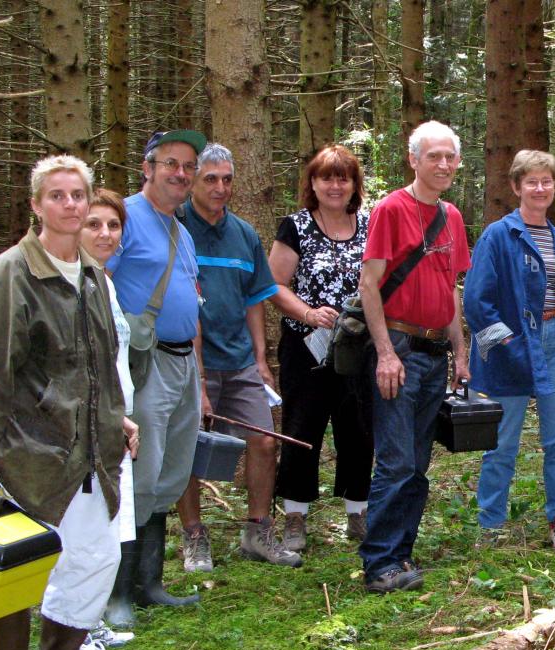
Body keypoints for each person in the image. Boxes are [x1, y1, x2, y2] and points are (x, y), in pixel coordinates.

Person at [0, 155, 132, 650]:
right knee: (19, 568)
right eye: (56, 195)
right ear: (36, 205)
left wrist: (117, 419)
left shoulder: (92, 276)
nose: (70, 205)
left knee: (95, 559)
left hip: (85, 453)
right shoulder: (12, 274)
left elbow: (100, 364)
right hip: (25, 453)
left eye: (78, 195)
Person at [172, 142, 299, 571]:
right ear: (192, 180)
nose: (220, 188)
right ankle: (193, 535)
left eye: (227, 179)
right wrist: (196, 371)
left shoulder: (244, 234)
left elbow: (255, 301)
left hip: (240, 360)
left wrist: (261, 359)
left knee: (263, 440)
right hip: (189, 360)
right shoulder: (175, 225)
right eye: (211, 179)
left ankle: (257, 531)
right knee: (186, 445)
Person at [358, 120, 471, 593]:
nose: (443, 165)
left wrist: (461, 351)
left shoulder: (453, 217)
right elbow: (370, 286)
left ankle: (401, 554)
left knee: (418, 461)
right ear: (413, 160)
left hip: (433, 351)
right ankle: (379, 561)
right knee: (397, 459)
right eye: (434, 157)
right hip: (398, 349)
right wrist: (385, 353)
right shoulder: (391, 209)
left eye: (450, 157)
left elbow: (450, 288)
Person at [463, 150, 555, 552]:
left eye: (547, 181)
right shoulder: (498, 235)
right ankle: (491, 526)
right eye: (531, 181)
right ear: (517, 187)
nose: (540, 188)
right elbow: (476, 303)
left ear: (554, 186)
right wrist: (507, 343)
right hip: (511, 347)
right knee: (501, 442)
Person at [107, 129, 207, 608]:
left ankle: (149, 584)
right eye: (170, 163)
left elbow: (190, 304)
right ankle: (118, 592)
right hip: (146, 364)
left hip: (183, 363)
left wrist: (201, 379)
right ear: (147, 168)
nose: (180, 174)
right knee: (139, 474)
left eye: (188, 166)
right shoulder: (123, 218)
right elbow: (99, 282)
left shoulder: (180, 231)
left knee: (170, 472)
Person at [268, 144, 374, 551]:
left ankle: (357, 511)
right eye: (326, 177)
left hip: (357, 347)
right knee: (302, 428)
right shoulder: (295, 226)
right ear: (312, 183)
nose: (334, 185)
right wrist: (309, 313)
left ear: (353, 185)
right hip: (306, 348)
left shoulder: (369, 225)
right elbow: (273, 285)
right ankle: (295, 515)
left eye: (342, 177)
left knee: (359, 429)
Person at [78, 189, 142, 629]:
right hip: (84, 427)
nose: (105, 234)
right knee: (83, 534)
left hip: (114, 422)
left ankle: (90, 625)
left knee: (106, 531)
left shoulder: (104, 281)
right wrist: (109, 416)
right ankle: (74, 634)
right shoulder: (72, 282)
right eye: (94, 224)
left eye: (113, 225)